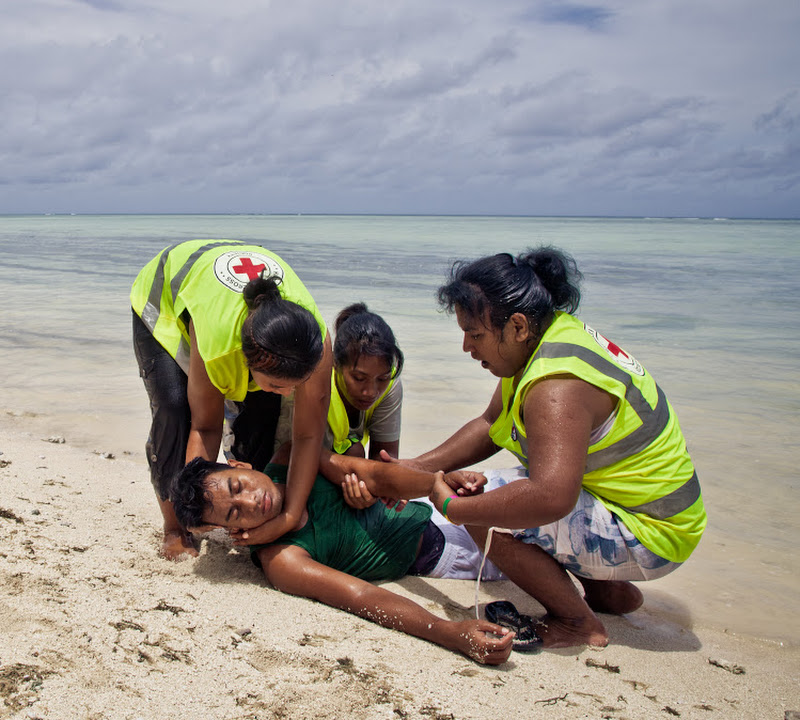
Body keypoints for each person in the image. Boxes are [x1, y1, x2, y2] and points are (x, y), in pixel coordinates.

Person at [404, 247, 707, 649]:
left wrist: (454, 510)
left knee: (486, 503)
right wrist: (414, 470)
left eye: (475, 334)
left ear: (516, 326)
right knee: (503, 492)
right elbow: (490, 424)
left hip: (651, 533)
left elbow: (551, 497)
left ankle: (576, 622)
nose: (466, 347)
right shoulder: (548, 339)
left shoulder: (556, 384)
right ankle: (606, 593)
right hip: (648, 512)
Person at [170, 451, 514, 664]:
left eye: (236, 486)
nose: (249, 501)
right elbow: (362, 596)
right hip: (447, 552)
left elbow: (374, 475)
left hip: (437, 503)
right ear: (231, 532)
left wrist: (438, 483)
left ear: (239, 464)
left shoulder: (291, 457)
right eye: (234, 514)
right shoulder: (282, 560)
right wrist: (449, 632)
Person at [131, 239, 332, 560]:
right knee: (173, 407)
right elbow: (205, 428)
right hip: (167, 294)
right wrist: (190, 511)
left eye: (298, 384)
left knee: (262, 417)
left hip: (251, 310)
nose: (290, 393)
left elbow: (308, 435)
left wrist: (290, 516)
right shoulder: (219, 344)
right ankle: (173, 528)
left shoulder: (313, 340)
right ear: (247, 361)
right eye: (280, 385)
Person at [326, 303, 404, 459]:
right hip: (303, 460)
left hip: (344, 465)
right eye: (359, 378)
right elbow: (304, 451)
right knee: (355, 452)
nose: (371, 392)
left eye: (382, 379)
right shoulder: (320, 380)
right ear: (336, 363)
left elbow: (385, 459)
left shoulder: (391, 384)